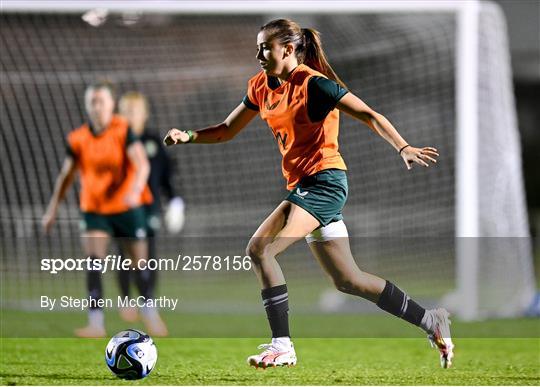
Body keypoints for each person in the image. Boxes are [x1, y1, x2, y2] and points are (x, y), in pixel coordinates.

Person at [163, 19, 454, 369]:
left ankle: (282, 345)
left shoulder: (314, 85)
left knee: (260, 249)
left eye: (264, 47)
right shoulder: (261, 86)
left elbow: (369, 115)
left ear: (288, 49)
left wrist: (403, 146)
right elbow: (226, 130)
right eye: (257, 47)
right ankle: (430, 320)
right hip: (306, 185)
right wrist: (189, 135)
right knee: (349, 280)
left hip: (325, 182)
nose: (258, 54)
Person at [42, 81, 154, 338]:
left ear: (111, 104)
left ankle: (149, 312)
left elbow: (142, 164)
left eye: (101, 101)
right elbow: (66, 176)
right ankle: (96, 322)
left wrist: (136, 190)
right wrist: (52, 209)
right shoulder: (77, 138)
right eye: (92, 101)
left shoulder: (123, 130)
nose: (97, 106)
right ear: (86, 105)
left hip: (127, 207)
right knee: (93, 263)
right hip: (95, 209)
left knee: (139, 264)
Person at [116, 91, 186, 336]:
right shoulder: (115, 139)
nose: (129, 115)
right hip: (121, 208)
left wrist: (176, 200)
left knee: (148, 257)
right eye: (125, 110)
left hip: (149, 208)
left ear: (144, 113)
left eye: (134, 110)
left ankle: (148, 304)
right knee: (124, 254)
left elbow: (167, 176)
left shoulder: (153, 141)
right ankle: (127, 299)